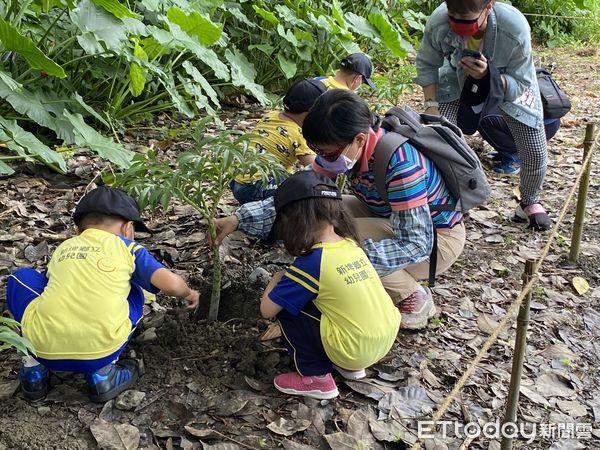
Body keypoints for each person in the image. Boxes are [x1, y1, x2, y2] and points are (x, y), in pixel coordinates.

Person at [214, 90, 466, 330]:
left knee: (332, 241)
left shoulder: (402, 166)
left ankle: (410, 292)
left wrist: (336, 264)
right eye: (317, 152)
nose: (322, 159)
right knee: (317, 214)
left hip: (437, 241)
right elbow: (302, 196)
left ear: (359, 139)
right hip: (386, 214)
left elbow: (415, 242)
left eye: (327, 153)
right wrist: (239, 218)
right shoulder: (343, 149)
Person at [6, 186, 200, 402]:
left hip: (42, 349)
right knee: (134, 289)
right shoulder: (127, 248)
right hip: (99, 352)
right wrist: (191, 293)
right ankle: (103, 375)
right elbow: (173, 285)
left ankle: (33, 372)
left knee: (22, 277)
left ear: (79, 231)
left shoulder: (65, 247)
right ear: (128, 229)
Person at [260, 170, 400, 399]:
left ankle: (316, 378)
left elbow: (267, 310)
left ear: (292, 221)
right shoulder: (351, 244)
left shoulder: (313, 262)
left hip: (354, 347)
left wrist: (277, 279)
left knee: (288, 306)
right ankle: (351, 368)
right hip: (383, 338)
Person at [415, 0, 552, 230]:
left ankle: (529, 202)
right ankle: (445, 199)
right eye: (453, 18)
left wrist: (489, 75)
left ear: (489, 7)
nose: (458, 26)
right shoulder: (439, 21)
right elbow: (427, 64)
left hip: (509, 83)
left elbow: (522, 81)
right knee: (438, 137)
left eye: (467, 21)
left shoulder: (514, 26)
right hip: (457, 81)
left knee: (535, 150)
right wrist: (431, 106)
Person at [230, 79, 327, 204]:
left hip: (236, 179)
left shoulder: (271, 115)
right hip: (257, 186)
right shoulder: (299, 134)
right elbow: (317, 168)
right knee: (302, 185)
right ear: (310, 114)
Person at [479, 111, 560, 175]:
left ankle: (514, 158)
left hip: (535, 127)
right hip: (553, 121)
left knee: (484, 119)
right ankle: (514, 151)